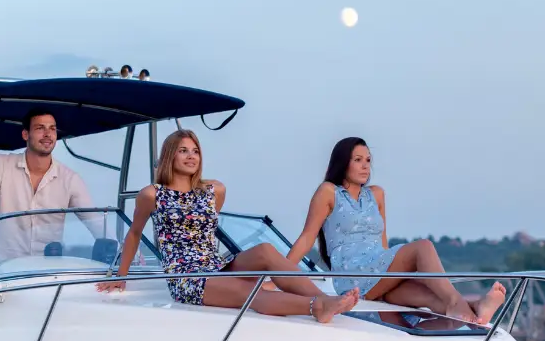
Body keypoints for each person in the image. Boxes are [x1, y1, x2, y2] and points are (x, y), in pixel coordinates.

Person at [97, 130, 359, 322]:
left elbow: (207, 232)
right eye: (183, 150)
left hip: (216, 265)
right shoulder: (152, 194)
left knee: (265, 251)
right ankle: (316, 307)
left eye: (195, 151)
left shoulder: (214, 190)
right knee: (251, 292)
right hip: (187, 277)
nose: (191, 156)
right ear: (169, 155)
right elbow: (134, 234)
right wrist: (121, 277)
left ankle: (325, 299)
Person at [286, 137, 507, 326]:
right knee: (423, 247)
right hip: (352, 276)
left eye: (368, 160)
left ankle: (476, 306)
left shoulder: (376, 194)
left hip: (378, 270)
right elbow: (307, 237)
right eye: (358, 160)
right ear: (343, 163)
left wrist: (395, 276)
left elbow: (382, 244)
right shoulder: (328, 192)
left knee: (425, 296)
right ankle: (458, 304)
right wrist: (280, 275)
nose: (365, 166)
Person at [0, 108, 104, 263]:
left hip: (46, 271)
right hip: (0, 269)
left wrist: (119, 251)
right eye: (40, 128)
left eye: (52, 129)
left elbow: (96, 222)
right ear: (25, 134)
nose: (48, 134)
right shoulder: (0, 164)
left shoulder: (70, 179)